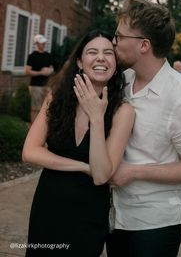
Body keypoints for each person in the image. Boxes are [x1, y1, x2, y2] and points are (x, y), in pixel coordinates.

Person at [106, 0, 181, 257]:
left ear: (144, 45)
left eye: (120, 35)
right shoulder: (122, 79)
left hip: (156, 222)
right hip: (114, 213)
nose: (114, 41)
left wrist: (133, 172)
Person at [22, 30, 135, 256]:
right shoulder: (57, 98)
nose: (101, 58)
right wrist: (83, 167)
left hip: (88, 213)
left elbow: (102, 175)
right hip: (48, 205)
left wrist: (96, 117)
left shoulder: (123, 111)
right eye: (92, 52)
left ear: (115, 64)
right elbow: (30, 152)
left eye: (108, 53)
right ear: (80, 62)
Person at [25, 34, 54, 123]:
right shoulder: (32, 56)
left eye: (44, 43)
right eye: (42, 43)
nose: (43, 44)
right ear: (37, 43)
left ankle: (43, 127)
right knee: (35, 108)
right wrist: (41, 72)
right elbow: (27, 71)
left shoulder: (48, 55)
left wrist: (49, 71)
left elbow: (52, 68)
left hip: (47, 85)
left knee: (47, 107)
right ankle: (33, 127)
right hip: (35, 86)